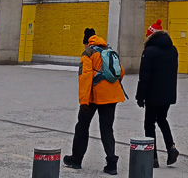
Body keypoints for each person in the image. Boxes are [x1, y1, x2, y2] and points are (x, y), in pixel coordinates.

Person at [63, 28, 124, 175]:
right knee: (107, 128)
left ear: (86, 42)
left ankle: (76, 159)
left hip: (93, 96)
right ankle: (111, 163)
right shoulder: (108, 50)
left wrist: (84, 101)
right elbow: (120, 72)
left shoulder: (88, 53)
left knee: (82, 126)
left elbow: (85, 78)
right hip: (112, 95)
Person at [136, 20, 180, 167]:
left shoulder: (149, 52)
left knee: (149, 124)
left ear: (151, 36)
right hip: (168, 94)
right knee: (162, 119)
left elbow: (144, 76)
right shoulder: (173, 50)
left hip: (152, 95)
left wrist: (140, 96)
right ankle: (171, 148)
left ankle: (152, 158)